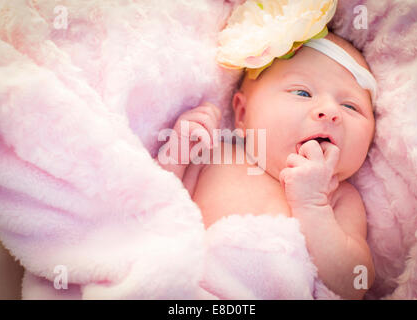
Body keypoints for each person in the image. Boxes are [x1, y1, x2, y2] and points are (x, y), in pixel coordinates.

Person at [157, 32, 376, 299]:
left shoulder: (338, 196)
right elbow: (156, 210)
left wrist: (313, 206)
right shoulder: (216, 158)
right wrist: (177, 152)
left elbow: (354, 284)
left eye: (351, 106)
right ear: (242, 114)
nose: (330, 112)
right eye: (302, 92)